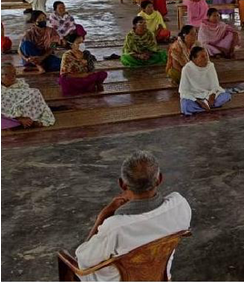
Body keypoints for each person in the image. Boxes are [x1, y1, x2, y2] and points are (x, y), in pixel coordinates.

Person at [73, 151, 191, 281]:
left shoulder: (115, 227)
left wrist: (102, 217)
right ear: (159, 179)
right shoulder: (180, 206)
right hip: (159, 276)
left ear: (122, 184)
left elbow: (82, 260)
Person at [179, 46, 232, 115]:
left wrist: (212, 96)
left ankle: (203, 107)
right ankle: (207, 107)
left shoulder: (210, 66)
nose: (206, 58)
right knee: (185, 106)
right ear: (194, 58)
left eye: (206, 56)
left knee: (226, 96)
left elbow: (215, 85)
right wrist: (198, 102)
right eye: (202, 56)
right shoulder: (187, 69)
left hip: (209, 95)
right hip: (194, 97)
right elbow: (183, 91)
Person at [1, 62, 55, 129]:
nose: (11, 77)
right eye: (7, 74)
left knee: (35, 92)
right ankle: (19, 121)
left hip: (27, 113)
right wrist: (18, 117)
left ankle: (30, 120)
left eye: (13, 74)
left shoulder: (20, 84)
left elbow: (30, 98)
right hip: (6, 117)